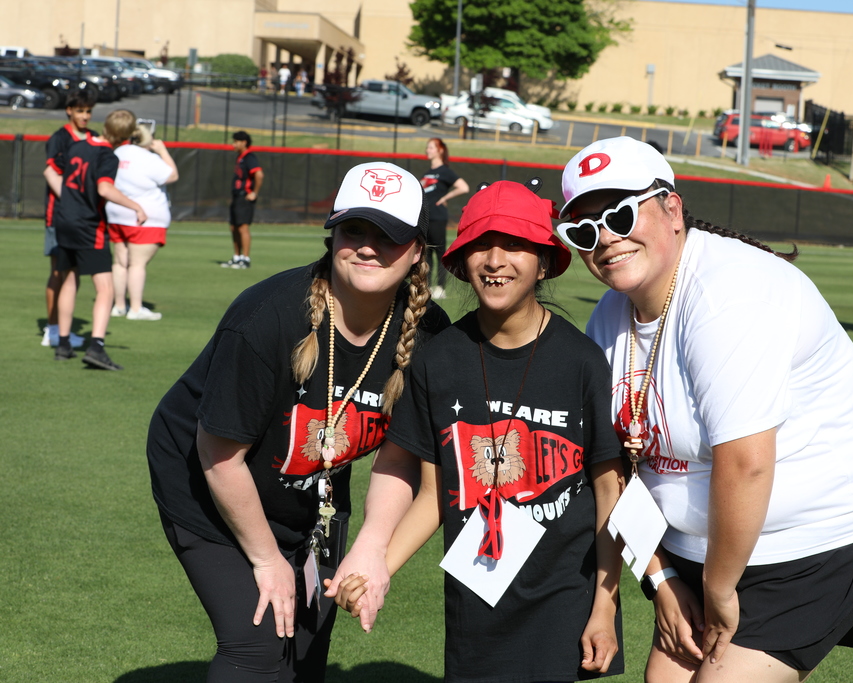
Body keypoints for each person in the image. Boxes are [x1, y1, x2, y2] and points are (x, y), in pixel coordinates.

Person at [558, 137, 853, 682]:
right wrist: (662, 577)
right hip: (698, 553)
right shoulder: (608, 320)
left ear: (672, 209)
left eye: (621, 213)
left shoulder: (729, 294)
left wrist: (718, 587)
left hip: (815, 540)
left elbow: (746, 463)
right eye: (584, 229)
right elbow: (615, 470)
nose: (606, 238)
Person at [146, 161, 448, 682]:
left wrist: (373, 547)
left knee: (306, 652)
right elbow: (219, 457)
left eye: (389, 235)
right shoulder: (269, 318)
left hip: (315, 492)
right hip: (210, 481)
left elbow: (400, 450)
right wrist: (267, 561)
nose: (368, 247)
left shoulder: (427, 332)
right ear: (333, 234)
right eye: (355, 230)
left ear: (418, 249)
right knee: (260, 645)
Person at [330, 180, 626, 682]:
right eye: (481, 246)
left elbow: (608, 488)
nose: (495, 260)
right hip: (476, 591)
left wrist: (604, 604)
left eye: (514, 245)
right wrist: (376, 568)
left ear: (544, 262)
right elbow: (432, 494)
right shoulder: (438, 359)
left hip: (562, 593)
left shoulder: (581, 361)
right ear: (462, 260)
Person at [52, 109, 148, 371]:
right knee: (105, 288)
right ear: (127, 137)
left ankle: (63, 344)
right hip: (87, 225)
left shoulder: (78, 145)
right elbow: (105, 188)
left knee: (69, 280)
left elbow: (54, 172)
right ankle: (96, 347)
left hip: (64, 219)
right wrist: (135, 206)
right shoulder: (107, 155)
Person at [41, 89, 96, 349]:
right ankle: (52, 329)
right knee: (58, 271)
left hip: (84, 219)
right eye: (80, 110)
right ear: (69, 111)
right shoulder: (59, 138)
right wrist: (74, 200)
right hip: (60, 215)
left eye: (88, 111)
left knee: (74, 275)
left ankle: (61, 329)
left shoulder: (94, 138)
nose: (85, 116)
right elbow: (51, 172)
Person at [107, 122, 179, 321]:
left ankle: (119, 305)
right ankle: (136, 308)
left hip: (116, 214)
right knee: (137, 264)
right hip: (145, 217)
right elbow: (172, 175)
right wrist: (162, 151)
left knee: (120, 263)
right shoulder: (148, 158)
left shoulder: (118, 152)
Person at [419, 137, 469, 299]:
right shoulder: (428, 172)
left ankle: (440, 287)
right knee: (426, 253)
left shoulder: (445, 171)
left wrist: (445, 198)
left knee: (439, 253)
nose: (428, 150)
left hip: (438, 217)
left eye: (431, 147)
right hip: (425, 217)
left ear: (439, 150)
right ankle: (425, 286)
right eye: (427, 147)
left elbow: (463, 187)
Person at [223, 130, 264, 270]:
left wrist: (254, 192)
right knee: (233, 227)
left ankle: (245, 259)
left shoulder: (249, 157)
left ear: (244, 142)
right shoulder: (240, 157)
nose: (233, 144)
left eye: (236, 141)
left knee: (242, 227)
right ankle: (237, 257)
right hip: (237, 197)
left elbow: (259, 175)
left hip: (244, 197)